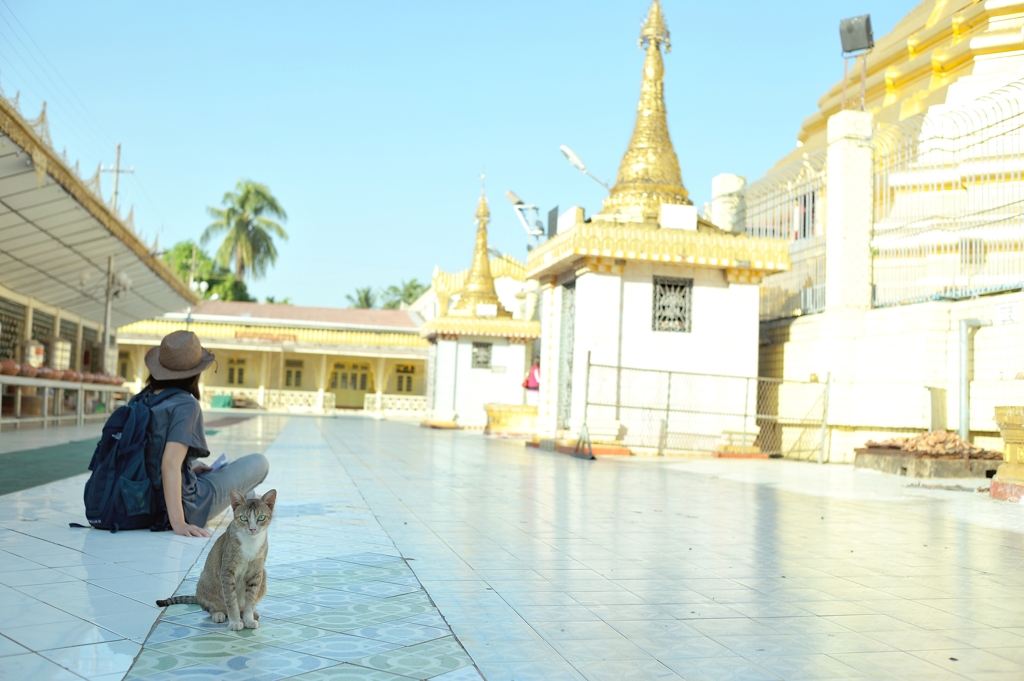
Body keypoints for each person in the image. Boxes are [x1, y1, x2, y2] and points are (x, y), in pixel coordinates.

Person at [144, 331, 269, 538]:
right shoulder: (185, 404)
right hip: (188, 504)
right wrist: (179, 523)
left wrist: (190, 469)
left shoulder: (143, 399)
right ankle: (248, 502)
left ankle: (247, 502)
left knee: (241, 490)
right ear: (195, 373)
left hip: (144, 500)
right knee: (259, 462)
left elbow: (151, 455)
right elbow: (169, 464)